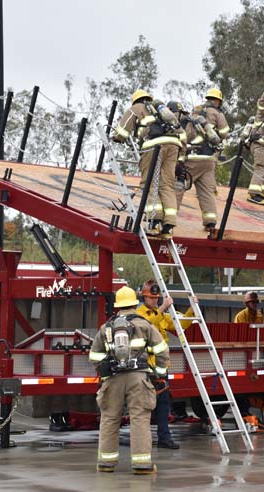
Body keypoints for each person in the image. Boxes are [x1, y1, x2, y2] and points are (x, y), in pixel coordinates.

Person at [88, 286, 170, 474]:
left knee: (109, 418)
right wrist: (158, 373)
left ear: (117, 306)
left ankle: (106, 463)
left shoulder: (107, 327)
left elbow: (94, 355)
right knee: (139, 418)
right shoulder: (144, 324)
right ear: (135, 303)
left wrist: (105, 373)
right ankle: (141, 464)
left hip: (113, 379)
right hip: (139, 378)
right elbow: (162, 350)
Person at [112, 89, 187, 239]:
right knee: (167, 184)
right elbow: (182, 135)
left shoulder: (137, 108)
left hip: (153, 146)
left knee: (150, 183)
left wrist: (117, 138)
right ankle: (169, 226)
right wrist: (181, 158)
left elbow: (123, 129)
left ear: (135, 100)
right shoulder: (161, 110)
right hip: (173, 145)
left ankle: (154, 221)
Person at [135, 279, 196, 449]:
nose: (155, 300)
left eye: (156, 298)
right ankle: (142, 439)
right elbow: (147, 325)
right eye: (151, 298)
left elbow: (181, 324)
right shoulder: (139, 314)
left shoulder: (161, 315)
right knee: (143, 405)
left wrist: (192, 309)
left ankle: (164, 437)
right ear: (144, 297)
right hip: (144, 367)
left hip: (160, 367)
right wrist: (163, 308)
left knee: (163, 403)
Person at [169, 101, 220, 233]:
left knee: (178, 186)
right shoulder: (207, 127)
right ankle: (211, 223)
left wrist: (178, 161)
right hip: (208, 162)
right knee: (207, 192)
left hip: (192, 160)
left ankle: (169, 219)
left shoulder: (188, 122)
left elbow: (182, 141)